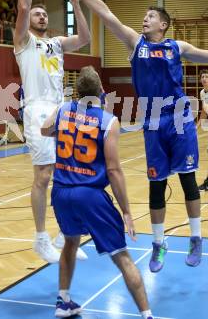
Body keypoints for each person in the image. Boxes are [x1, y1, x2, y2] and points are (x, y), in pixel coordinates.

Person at [56, 0, 208, 272]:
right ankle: (159, 243)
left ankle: (196, 239)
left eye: (150, 17)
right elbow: (106, 14)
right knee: (156, 185)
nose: (144, 20)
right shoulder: (135, 44)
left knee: (187, 180)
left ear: (163, 24)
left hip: (180, 118)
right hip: (153, 119)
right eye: (143, 17)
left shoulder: (177, 47)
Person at [41, 66, 154, 319]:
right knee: (122, 256)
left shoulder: (63, 110)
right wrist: (126, 211)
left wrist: (66, 112)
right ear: (101, 91)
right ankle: (147, 315)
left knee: (70, 241)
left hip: (61, 193)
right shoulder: (108, 121)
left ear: (76, 92)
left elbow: (44, 130)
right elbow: (113, 170)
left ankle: (63, 300)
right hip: (89, 196)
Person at [14, 0, 90, 263]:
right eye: (37, 13)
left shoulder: (56, 42)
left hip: (62, 109)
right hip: (37, 110)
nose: (42, 15)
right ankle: (41, 238)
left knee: (68, 172)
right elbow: (22, 5)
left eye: (45, 13)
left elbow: (85, 38)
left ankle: (66, 233)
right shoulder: (23, 41)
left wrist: (76, 3)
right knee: (43, 176)